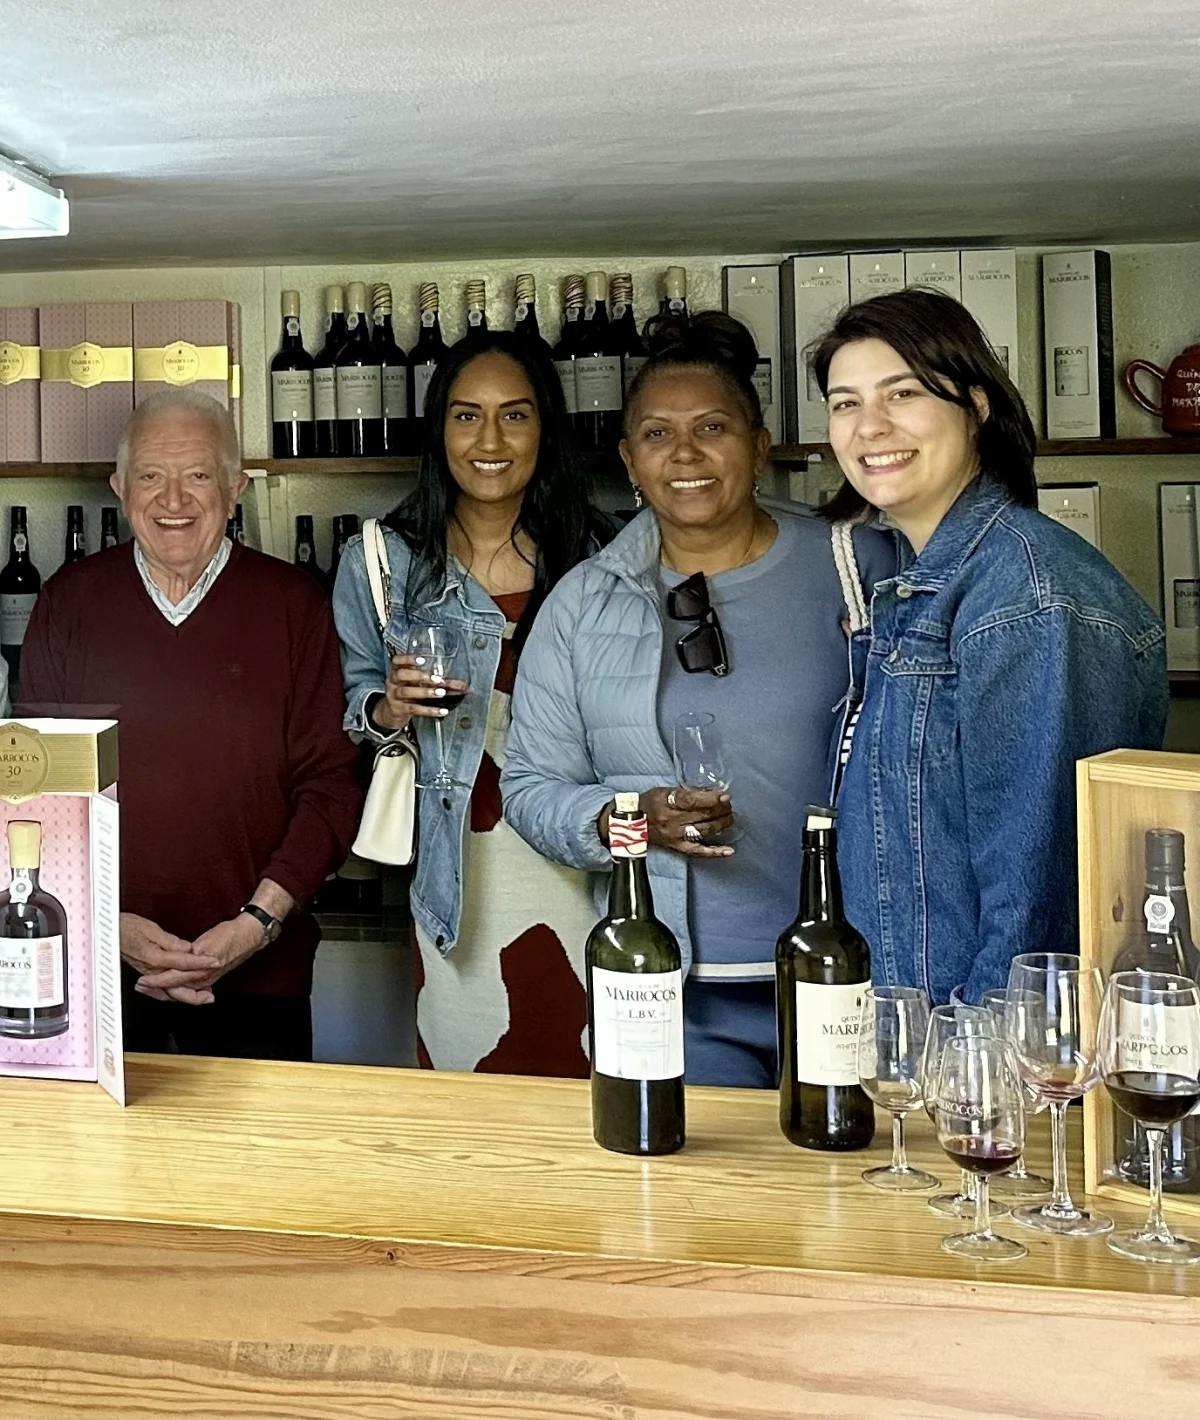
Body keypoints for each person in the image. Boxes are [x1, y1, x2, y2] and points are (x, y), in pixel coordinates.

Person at [501, 313, 895, 1087]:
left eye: (712, 427)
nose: (684, 454)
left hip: (854, 973)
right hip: (671, 987)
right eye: (656, 435)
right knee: (697, 1199)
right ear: (629, 460)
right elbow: (530, 788)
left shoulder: (860, 563)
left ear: (760, 443)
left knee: (858, 1195)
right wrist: (632, 816)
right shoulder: (584, 602)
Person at [813, 287, 1168, 1004]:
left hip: (976, 1073)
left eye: (902, 393)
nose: (869, 426)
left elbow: (1038, 905)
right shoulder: (928, 588)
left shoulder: (1027, 599)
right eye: (845, 402)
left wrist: (975, 1086)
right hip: (910, 1041)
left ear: (976, 406)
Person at [19, 388, 362, 1060]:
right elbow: (35, 797)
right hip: (96, 973)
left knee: (255, 1167)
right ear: (120, 487)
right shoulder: (68, 604)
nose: (173, 500)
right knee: (95, 1167)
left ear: (235, 488)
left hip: (263, 978)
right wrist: (106, 926)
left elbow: (330, 786)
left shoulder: (292, 606)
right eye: (151, 475)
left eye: (197, 476)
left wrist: (257, 925)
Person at [333, 330, 610, 1075]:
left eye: (515, 416)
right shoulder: (382, 562)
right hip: (458, 870)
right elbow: (355, 703)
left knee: (592, 1081)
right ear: (439, 430)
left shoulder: (600, 558)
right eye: (466, 416)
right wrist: (388, 707)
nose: (490, 439)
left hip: (586, 867)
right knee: (470, 1085)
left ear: (546, 429)